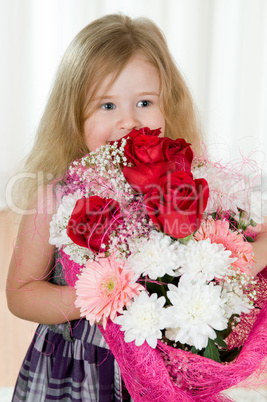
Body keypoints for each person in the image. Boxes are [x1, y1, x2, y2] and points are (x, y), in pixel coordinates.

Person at [6, 13, 267, 402]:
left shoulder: (188, 187)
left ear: (168, 106)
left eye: (144, 102)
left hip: (166, 373)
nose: (128, 121)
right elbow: (20, 293)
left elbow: (248, 248)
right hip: (81, 371)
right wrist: (102, 298)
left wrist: (223, 276)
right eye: (106, 105)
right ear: (73, 116)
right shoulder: (54, 195)